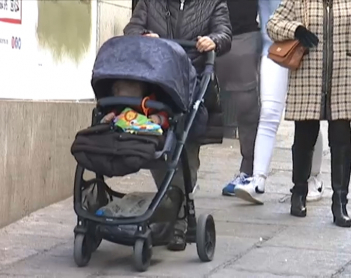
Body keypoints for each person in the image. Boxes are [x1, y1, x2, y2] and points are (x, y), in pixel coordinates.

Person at [123, 0, 232, 250]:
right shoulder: (151, 2)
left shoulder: (213, 3)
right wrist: (143, 36)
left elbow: (225, 33)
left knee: (187, 152)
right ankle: (175, 215)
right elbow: (131, 29)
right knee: (158, 148)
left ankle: (176, 217)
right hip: (156, 82)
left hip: (191, 82)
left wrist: (213, 40)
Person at [267, 0, 351, 227]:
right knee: (304, 135)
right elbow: (272, 25)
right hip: (308, 74)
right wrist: (296, 30)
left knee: (342, 138)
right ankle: (299, 192)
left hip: (343, 76)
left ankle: (340, 202)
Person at [227, 0, 325, 205]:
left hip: (307, 49)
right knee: (269, 113)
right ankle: (258, 179)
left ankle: (313, 178)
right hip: (272, 49)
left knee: (308, 114)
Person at [216, 0, 262, 198]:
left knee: (246, 105)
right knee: (192, 102)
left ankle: (248, 169)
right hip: (201, 33)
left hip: (242, 35)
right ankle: (186, 173)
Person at [100, 79, 169, 129]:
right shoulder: (121, 107)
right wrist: (109, 117)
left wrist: (158, 119)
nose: (115, 90)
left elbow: (166, 117)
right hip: (123, 135)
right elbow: (114, 114)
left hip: (146, 137)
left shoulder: (151, 104)